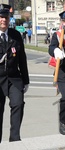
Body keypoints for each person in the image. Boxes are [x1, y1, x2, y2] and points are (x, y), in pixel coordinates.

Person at [0, 4, 29, 142]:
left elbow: (22, 59)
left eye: (5, 17)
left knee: (18, 104)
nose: (3, 20)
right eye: (0, 17)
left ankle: (15, 139)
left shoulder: (15, 35)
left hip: (14, 78)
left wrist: (26, 80)